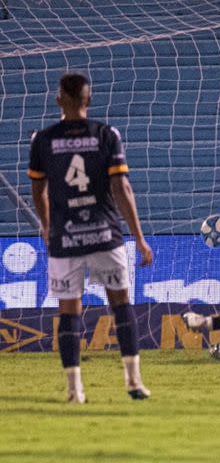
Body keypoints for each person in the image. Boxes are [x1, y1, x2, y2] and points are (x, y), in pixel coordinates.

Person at [28, 72, 154, 403]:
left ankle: (74, 390)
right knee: (121, 305)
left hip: (65, 239)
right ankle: (134, 382)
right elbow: (122, 187)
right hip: (104, 234)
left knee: (69, 311)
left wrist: (46, 225)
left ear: (59, 100)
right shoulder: (105, 134)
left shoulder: (42, 140)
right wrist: (139, 237)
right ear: (89, 100)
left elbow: (37, 189)